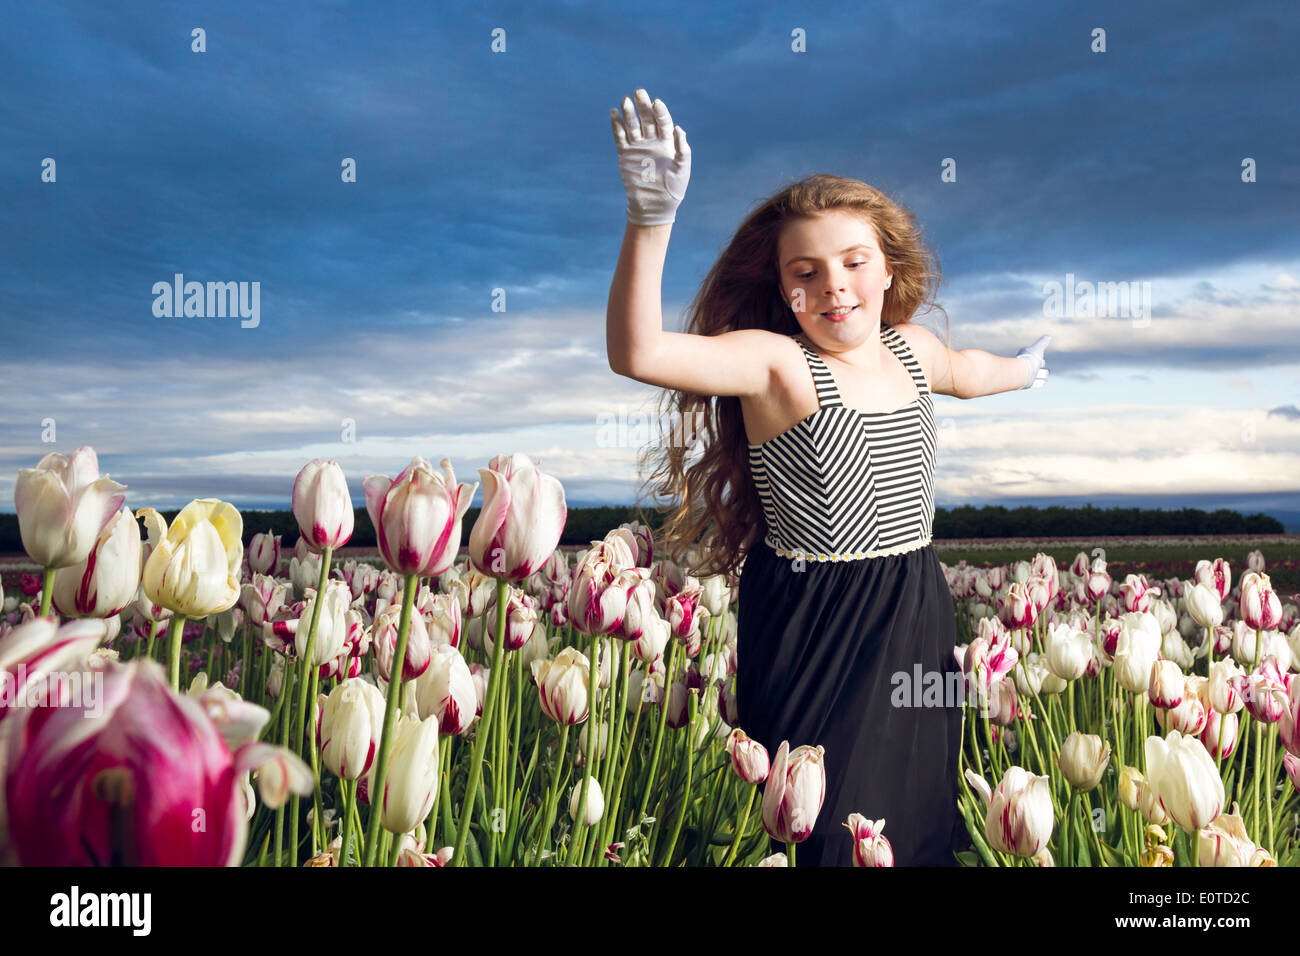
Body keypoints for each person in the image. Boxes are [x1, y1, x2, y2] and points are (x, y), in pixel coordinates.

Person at [605, 88, 1051, 866]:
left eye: (854, 262)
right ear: (784, 290)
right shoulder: (778, 364)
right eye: (805, 271)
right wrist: (651, 218)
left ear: (887, 270)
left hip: (915, 602)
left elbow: (970, 370)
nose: (834, 284)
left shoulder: (912, 351)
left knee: (915, 814)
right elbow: (639, 352)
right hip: (814, 614)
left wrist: (1022, 369)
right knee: (823, 819)